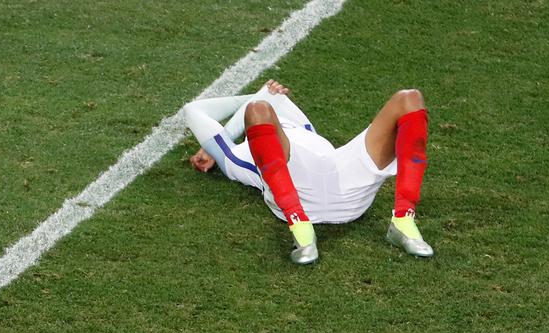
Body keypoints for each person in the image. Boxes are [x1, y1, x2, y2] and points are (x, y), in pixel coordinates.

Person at [183, 79, 433, 264]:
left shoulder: (284, 119)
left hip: (340, 177)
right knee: (257, 109)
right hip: (298, 196)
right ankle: (300, 227)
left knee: (409, 98)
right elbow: (193, 110)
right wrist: (218, 142)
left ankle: (403, 220)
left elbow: (267, 101)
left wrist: (260, 97)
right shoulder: (237, 157)